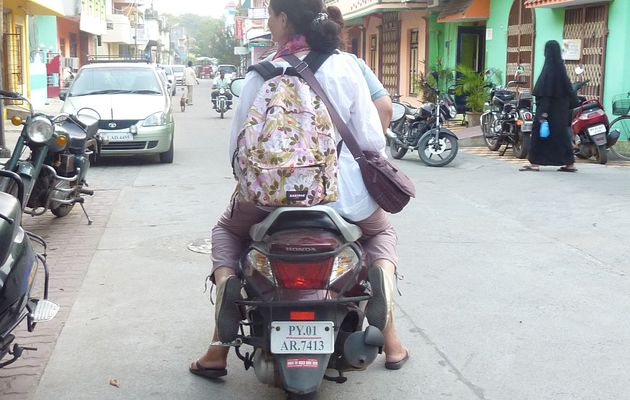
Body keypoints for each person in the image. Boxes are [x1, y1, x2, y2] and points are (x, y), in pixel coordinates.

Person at [190, 0, 409, 380]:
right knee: (381, 234)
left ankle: (221, 326)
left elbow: (236, 151)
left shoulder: (261, 73)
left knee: (227, 232)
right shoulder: (346, 67)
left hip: (268, 198)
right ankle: (388, 321)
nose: (271, 23)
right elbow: (372, 140)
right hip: (344, 199)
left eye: (272, 16)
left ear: (284, 19)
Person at [520, 40, 577, 172]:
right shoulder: (561, 70)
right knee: (562, 136)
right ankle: (570, 163)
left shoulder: (549, 69)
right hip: (561, 113)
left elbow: (546, 92)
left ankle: (534, 163)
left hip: (547, 110)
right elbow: (568, 91)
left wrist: (543, 113)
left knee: (537, 133)